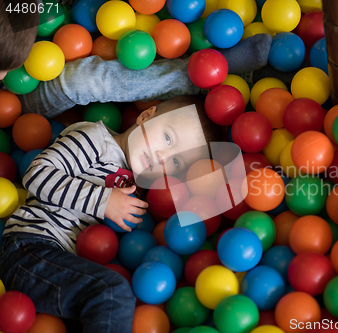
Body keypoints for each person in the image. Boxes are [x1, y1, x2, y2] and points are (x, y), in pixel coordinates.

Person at [0, 95, 219, 332]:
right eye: (167, 138)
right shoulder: (95, 139)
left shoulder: (140, 188)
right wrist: (104, 201)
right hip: (31, 248)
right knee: (113, 293)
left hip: (63, 267)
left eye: (175, 161)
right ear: (146, 116)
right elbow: (37, 174)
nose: (162, 156)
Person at [0, 0, 273, 118]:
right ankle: (203, 75)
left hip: (47, 48)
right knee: (80, 79)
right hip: (18, 103)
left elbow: (33, 9)